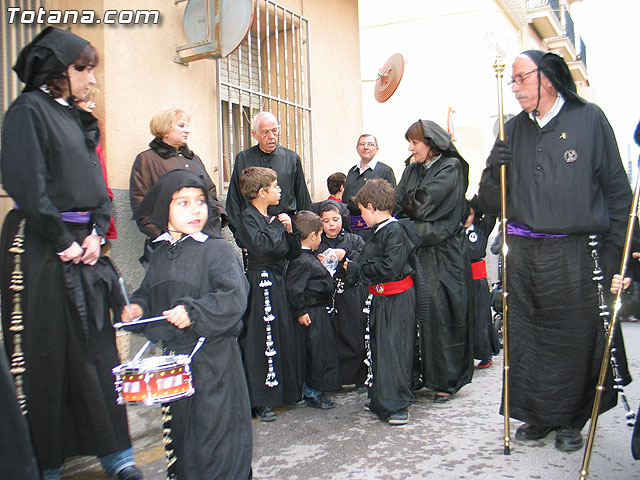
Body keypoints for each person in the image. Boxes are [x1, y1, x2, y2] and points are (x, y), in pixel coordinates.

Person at [0, 27, 141, 479]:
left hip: (87, 252)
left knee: (98, 353)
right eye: (84, 69)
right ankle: (44, 465)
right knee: (45, 354)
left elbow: (99, 191)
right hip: (42, 250)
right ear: (58, 69)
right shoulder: (27, 111)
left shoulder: (79, 119)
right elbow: (27, 184)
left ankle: (116, 453)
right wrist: (63, 241)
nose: (91, 80)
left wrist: (98, 235)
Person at [478, 50, 633, 452]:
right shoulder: (512, 129)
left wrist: (623, 253)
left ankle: (571, 419)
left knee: (574, 339)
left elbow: (617, 189)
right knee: (529, 339)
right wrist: (494, 167)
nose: (513, 88)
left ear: (546, 78)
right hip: (526, 254)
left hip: (575, 253)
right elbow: (491, 202)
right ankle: (537, 415)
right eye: (511, 81)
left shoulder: (589, 119)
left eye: (520, 79)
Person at [121, 169, 252, 479]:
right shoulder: (161, 253)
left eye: (200, 201)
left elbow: (235, 296)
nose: (195, 209)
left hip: (215, 365)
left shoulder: (216, 249)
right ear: (163, 209)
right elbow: (150, 294)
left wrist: (194, 311)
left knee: (215, 439)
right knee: (184, 441)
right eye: (183, 203)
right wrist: (137, 308)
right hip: (176, 367)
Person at [395, 119, 474, 403]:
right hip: (419, 250)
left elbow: (423, 204)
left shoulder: (450, 167)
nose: (410, 148)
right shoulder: (413, 168)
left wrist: (408, 203)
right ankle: (420, 375)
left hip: (444, 256)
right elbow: (399, 198)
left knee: (443, 314)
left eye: (414, 143)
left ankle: (446, 380)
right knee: (420, 314)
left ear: (430, 143)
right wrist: (408, 202)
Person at [344, 179, 418, 425]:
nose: (361, 217)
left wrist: (357, 269)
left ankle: (398, 404)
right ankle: (381, 398)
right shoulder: (380, 230)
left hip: (396, 299)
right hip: (382, 298)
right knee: (379, 348)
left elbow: (390, 267)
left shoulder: (394, 230)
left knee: (395, 350)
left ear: (372, 206)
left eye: (362, 211)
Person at [235, 166, 302, 422]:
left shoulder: (274, 217)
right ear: (262, 192)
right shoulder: (247, 217)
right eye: (275, 186)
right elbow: (262, 248)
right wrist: (276, 228)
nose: (279, 190)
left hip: (277, 282)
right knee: (262, 339)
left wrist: (289, 231)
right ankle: (260, 398)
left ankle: (283, 392)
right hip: (259, 282)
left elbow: (291, 251)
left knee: (281, 333)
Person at [130, 107, 226, 264]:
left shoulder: (194, 159)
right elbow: (141, 202)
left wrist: (217, 219)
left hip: (205, 239)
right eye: (181, 126)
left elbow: (210, 191)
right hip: (171, 246)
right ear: (165, 129)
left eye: (187, 126)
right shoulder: (147, 159)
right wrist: (164, 235)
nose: (187, 130)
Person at [286, 210, 341, 408]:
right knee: (315, 354)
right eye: (319, 235)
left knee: (321, 351)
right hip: (311, 313)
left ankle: (317, 388)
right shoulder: (301, 261)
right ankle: (312, 391)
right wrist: (301, 311)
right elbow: (294, 289)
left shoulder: (306, 258)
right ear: (312, 236)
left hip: (317, 311)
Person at [226, 111, 312, 236]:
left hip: (285, 228)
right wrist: (241, 236)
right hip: (254, 230)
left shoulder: (292, 158)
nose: (271, 136)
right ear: (255, 134)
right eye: (265, 132)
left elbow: (302, 198)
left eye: (274, 131)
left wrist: (301, 232)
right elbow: (234, 199)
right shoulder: (243, 159)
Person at [317, 200, 368, 387]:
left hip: (352, 292)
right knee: (333, 334)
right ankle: (336, 377)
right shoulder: (317, 240)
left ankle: (357, 375)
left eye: (335, 219)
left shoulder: (353, 239)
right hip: (328, 293)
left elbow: (365, 256)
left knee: (354, 331)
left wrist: (345, 255)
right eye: (326, 221)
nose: (331, 225)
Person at [75, 86, 117, 240]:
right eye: (87, 100)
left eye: (93, 101)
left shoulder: (93, 134)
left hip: (94, 213)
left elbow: (100, 175)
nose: (91, 105)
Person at [464, 195, 499, 368]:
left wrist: (478, 198)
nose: (466, 218)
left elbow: (492, 212)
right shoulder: (454, 230)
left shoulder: (481, 228)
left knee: (481, 317)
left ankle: (485, 354)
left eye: (469, 214)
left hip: (478, 279)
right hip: (461, 280)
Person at [343, 134, 396, 237]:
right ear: (357, 148)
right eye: (362, 144)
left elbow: (392, 201)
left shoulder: (385, 170)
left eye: (370, 144)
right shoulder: (352, 172)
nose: (366, 147)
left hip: (374, 230)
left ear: (376, 149)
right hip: (352, 229)